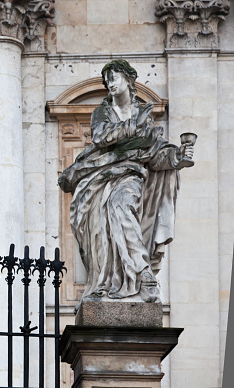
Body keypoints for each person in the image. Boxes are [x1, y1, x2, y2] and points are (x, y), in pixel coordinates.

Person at [59, 59, 194, 303]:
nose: (109, 83)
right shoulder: (103, 112)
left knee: (119, 206)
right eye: (106, 79)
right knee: (100, 229)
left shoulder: (144, 114)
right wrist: (132, 128)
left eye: (114, 77)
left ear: (128, 79)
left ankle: (144, 274)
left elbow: (153, 152)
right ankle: (106, 280)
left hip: (131, 175)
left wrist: (177, 157)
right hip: (99, 178)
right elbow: (101, 137)